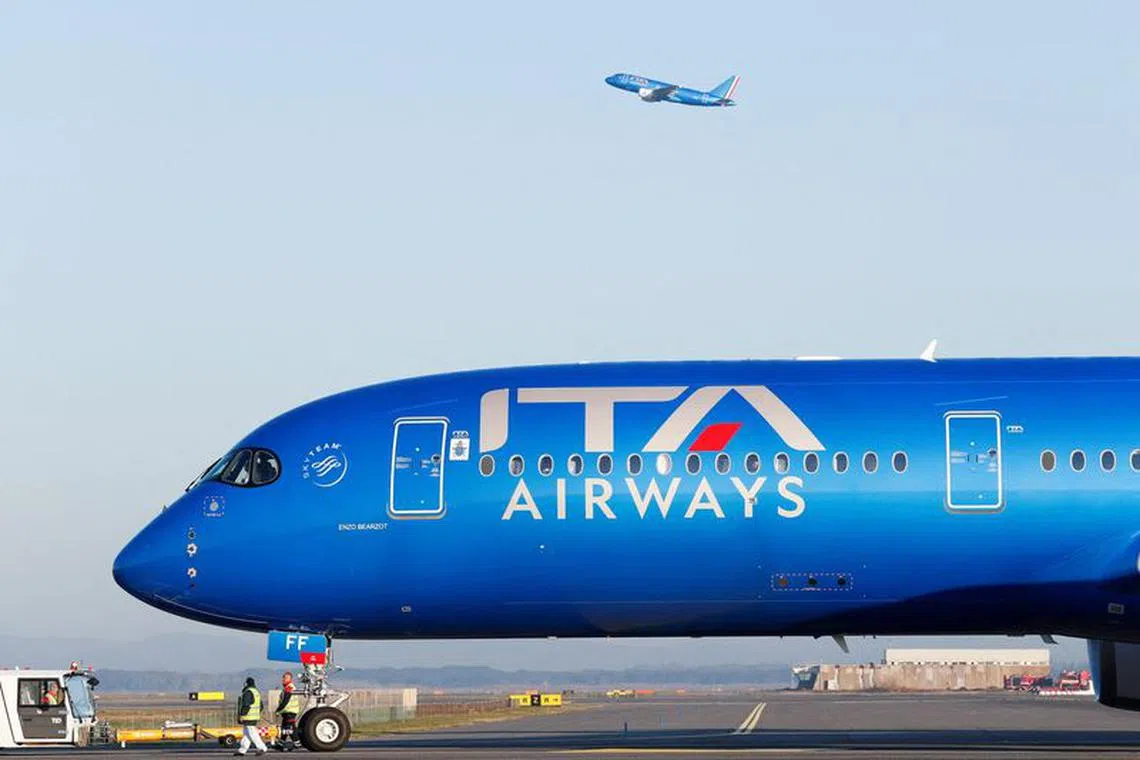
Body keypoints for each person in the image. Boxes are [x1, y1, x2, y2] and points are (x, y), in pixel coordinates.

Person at [235, 677, 267, 756]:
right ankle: (242, 750)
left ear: (246, 684)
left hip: (248, 716)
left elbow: (246, 705)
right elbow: (261, 706)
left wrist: (242, 714)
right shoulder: (256, 692)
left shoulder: (248, 692)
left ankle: (262, 748)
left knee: (252, 732)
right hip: (253, 716)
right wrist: (256, 713)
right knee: (247, 733)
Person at [273, 671, 302, 750]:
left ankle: (297, 743)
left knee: (289, 729)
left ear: (290, 679)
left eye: (285, 678)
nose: (283, 679)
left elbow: (285, 700)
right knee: (285, 728)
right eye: (283, 677)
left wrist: (278, 710)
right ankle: (280, 744)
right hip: (287, 712)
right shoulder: (287, 687)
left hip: (290, 711)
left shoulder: (289, 687)